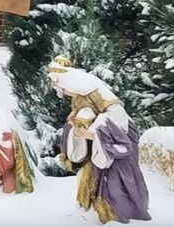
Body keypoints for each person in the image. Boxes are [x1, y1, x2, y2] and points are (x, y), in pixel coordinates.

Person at [48, 57, 151, 224]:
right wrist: (74, 119)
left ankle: (115, 214)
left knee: (114, 184)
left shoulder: (98, 92)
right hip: (94, 148)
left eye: (61, 87)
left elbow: (118, 118)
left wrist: (94, 134)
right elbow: (82, 114)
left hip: (115, 142)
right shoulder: (78, 95)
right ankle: (88, 211)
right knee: (87, 177)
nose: (61, 91)